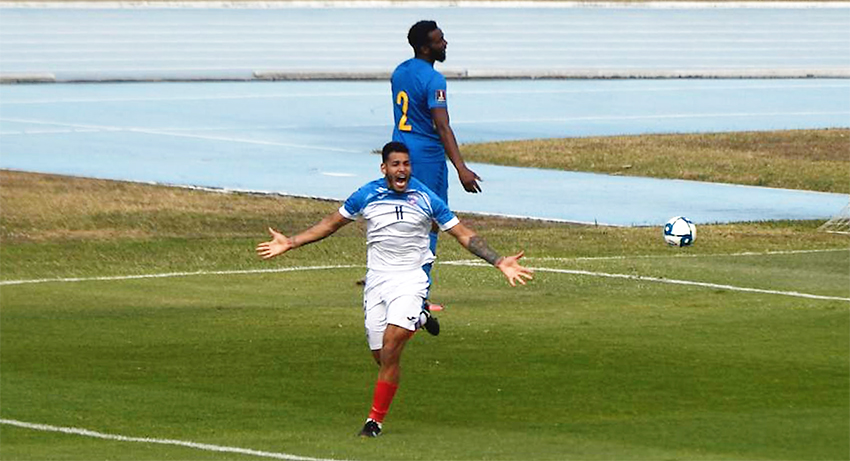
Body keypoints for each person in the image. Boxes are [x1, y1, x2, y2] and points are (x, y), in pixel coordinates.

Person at [257, 141, 532, 438]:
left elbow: (462, 233)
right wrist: (291, 242)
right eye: (396, 164)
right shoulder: (366, 195)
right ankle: (420, 318)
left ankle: (374, 422)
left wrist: (498, 261)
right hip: (377, 282)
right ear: (384, 168)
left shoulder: (426, 198)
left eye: (406, 164)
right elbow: (330, 224)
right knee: (381, 356)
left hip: (411, 280)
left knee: (390, 348)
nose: (402, 170)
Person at [391, 20, 481, 283]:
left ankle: (393, 275)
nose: (445, 43)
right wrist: (461, 169)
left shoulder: (399, 72)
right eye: (439, 40)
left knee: (403, 215)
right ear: (425, 48)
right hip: (427, 158)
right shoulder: (434, 80)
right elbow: (442, 126)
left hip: (399, 153)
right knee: (431, 220)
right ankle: (420, 289)